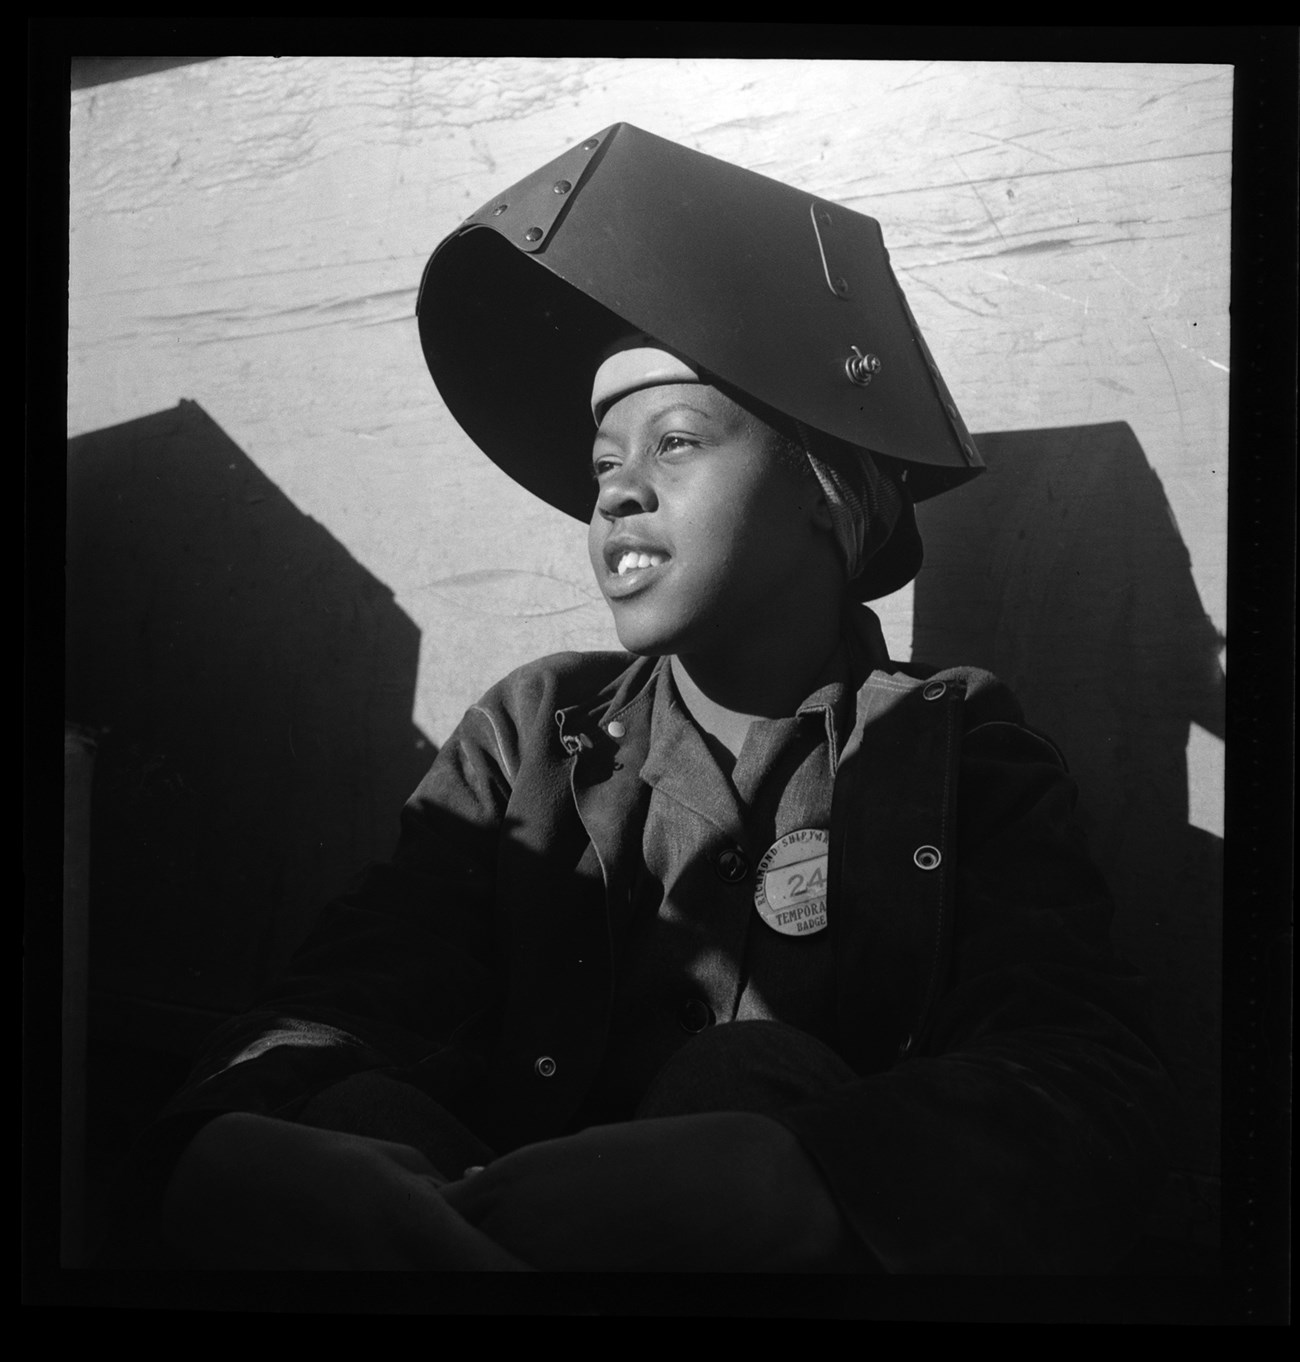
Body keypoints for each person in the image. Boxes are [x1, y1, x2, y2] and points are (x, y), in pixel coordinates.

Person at [126, 124, 1173, 1273]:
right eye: (600, 464)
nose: (617, 490)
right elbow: (359, 984)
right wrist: (237, 1130)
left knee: (747, 1079)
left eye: (675, 441)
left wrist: (820, 1176)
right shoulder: (529, 731)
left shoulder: (955, 745)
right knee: (350, 1119)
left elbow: (1084, 1077)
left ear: (831, 490)